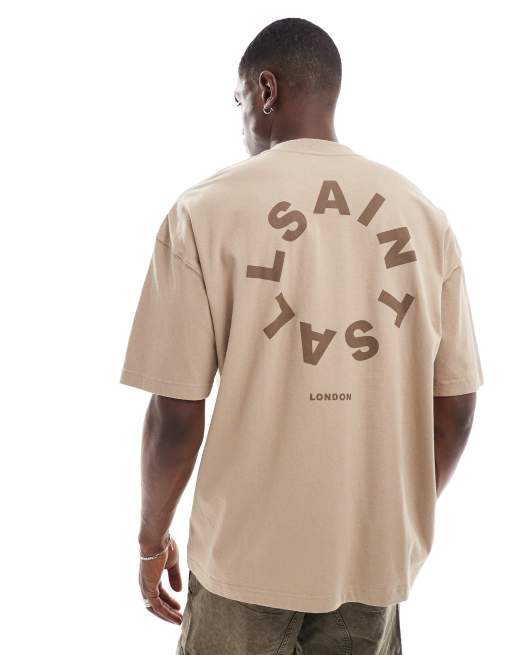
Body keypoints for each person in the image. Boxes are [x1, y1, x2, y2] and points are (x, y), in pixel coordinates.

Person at [120, 17, 484, 655]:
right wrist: (389, 517)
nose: (240, 121)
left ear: (266, 90)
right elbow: (455, 406)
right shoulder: (425, 217)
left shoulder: (202, 211)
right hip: (370, 567)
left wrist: (152, 542)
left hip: (243, 563)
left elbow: (175, 417)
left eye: (238, 99)